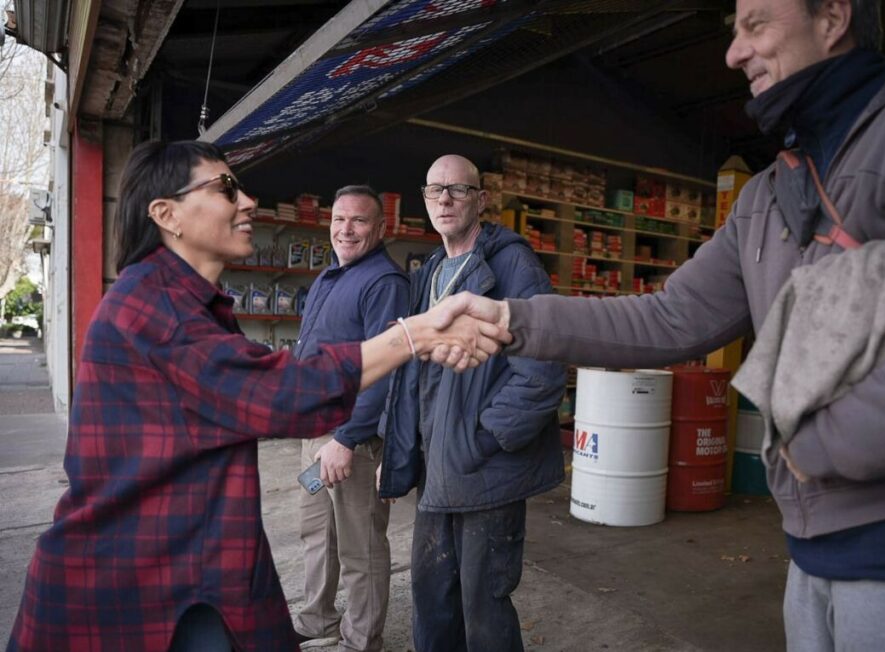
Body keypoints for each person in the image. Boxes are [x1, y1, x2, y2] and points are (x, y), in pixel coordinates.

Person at [435, 1, 885, 649]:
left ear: (832, 17)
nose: (733, 53)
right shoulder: (766, 196)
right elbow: (671, 316)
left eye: (756, 25)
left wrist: (820, 444)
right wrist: (512, 318)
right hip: (814, 544)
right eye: (734, 31)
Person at [5, 140, 505, 652]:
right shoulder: (157, 309)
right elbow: (279, 391)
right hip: (126, 590)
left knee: (357, 548)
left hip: (187, 572)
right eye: (225, 189)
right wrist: (414, 335)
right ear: (167, 215)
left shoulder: (190, 303)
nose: (247, 201)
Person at [377, 154, 566, 652]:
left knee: (484, 610)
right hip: (436, 468)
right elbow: (413, 374)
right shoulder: (429, 272)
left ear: (481, 200)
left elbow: (544, 368)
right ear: (423, 199)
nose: (444, 199)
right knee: (432, 597)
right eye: (434, 190)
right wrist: (399, 450)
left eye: (458, 189)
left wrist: (484, 438)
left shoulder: (513, 265)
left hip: (485, 471)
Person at [292, 185, 408, 651]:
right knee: (316, 533)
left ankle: (361, 640)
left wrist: (346, 438)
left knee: (360, 544)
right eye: (339, 219)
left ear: (381, 228)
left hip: (351, 442)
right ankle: (317, 619)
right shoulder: (329, 276)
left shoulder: (385, 283)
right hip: (315, 430)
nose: (346, 229)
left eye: (358, 220)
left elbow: (386, 368)